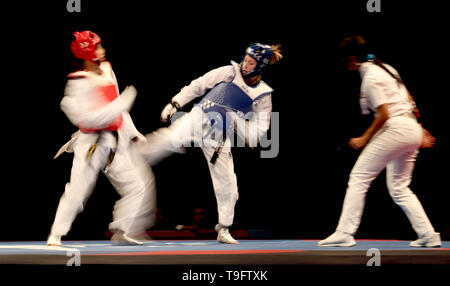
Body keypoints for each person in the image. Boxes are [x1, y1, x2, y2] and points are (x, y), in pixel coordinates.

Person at [135, 43, 283, 244]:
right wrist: (175, 103)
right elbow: (199, 84)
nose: (245, 64)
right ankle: (133, 156)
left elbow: (259, 131)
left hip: (219, 134)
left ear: (260, 66)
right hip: (199, 117)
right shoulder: (229, 71)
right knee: (169, 138)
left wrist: (234, 120)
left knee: (228, 182)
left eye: (251, 62)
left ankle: (224, 228)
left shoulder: (263, 94)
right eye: (246, 59)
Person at [319, 36, 441, 247]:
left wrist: (364, 139)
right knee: (399, 187)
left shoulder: (371, 78)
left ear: (352, 59)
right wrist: (419, 128)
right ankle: (429, 235)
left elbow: (383, 114)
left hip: (396, 128)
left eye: (345, 60)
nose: (345, 65)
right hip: (410, 127)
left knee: (359, 176)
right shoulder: (387, 68)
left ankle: (345, 232)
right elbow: (409, 98)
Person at [47, 31, 155, 246]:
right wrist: (124, 102)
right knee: (78, 192)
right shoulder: (78, 82)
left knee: (136, 186)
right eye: (97, 47)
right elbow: (89, 120)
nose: (102, 50)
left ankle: (121, 230)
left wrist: (133, 133)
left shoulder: (107, 70)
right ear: (87, 53)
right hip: (90, 144)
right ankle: (56, 234)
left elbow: (117, 108)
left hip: (114, 141)